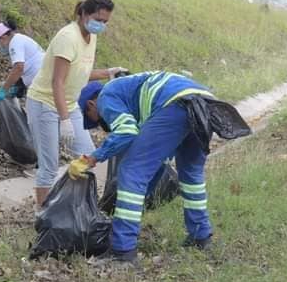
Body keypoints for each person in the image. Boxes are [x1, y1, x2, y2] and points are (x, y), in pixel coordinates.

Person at [71, 71, 248, 264]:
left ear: (91, 105)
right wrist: (138, 197)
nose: (100, 123)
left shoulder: (106, 97)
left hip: (175, 105)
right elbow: (154, 160)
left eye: (95, 119)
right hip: (204, 104)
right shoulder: (130, 90)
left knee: (131, 170)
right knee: (191, 175)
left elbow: (125, 132)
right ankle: (201, 237)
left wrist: (92, 158)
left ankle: (122, 251)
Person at [25, 0, 126, 206]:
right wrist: (64, 120)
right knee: (49, 165)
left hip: (69, 104)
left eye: (105, 22)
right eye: (98, 20)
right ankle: (43, 215)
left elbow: (80, 72)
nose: (101, 25)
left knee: (88, 155)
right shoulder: (67, 38)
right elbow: (58, 81)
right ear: (83, 14)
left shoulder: (92, 36)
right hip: (44, 104)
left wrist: (109, 73)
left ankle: (72, 204)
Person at [0, 19, 44, 101]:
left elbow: (18, 68)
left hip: (43, 83)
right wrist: (20, 84)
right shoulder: (19, 39)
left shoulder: (15, 43)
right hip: (41, 81)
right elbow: (28, 63)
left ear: (4, 37)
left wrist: (4, 90)